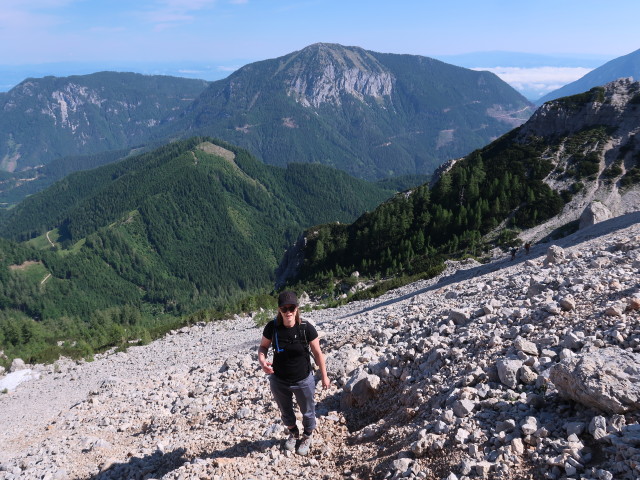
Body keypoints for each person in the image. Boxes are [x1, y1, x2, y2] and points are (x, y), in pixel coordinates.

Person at [258, 291, 330, 456]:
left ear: (297, 308)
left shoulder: (306, 328)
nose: (288, 312)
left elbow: (318, 353)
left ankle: (307, 436)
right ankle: (293, 432)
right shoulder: (272, 327)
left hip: (303, 379)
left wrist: (324, 376)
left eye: (292, 308)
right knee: (285, 410)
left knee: (308, 411)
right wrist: (263, 362)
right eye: (284, 309)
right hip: (279, 379)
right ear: (279, 310)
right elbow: (263, 347)